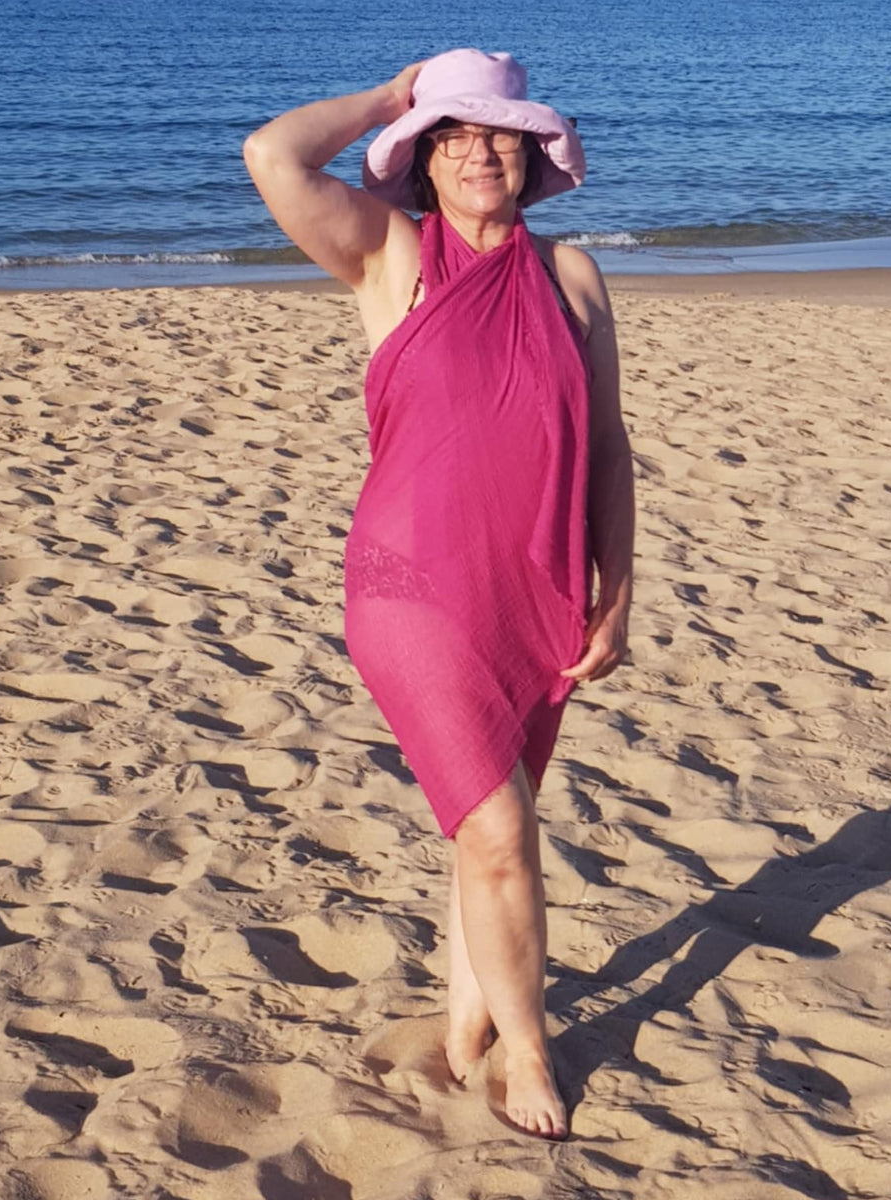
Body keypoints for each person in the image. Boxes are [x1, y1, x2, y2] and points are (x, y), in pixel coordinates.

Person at [243, 49, 635, 1139]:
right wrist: (387, 98)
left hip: (538, 583)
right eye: (453, 133)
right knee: (504, 830)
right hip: (410, 588)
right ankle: (529, 1050)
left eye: (495, 132)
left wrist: (620, 589)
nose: (477, 150)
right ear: (421, 155)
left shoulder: (574, 279)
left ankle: (466, 1025)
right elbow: (271, 154)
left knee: (486, 826)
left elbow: (607, 446)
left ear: (529, 152)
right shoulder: (391, 255)